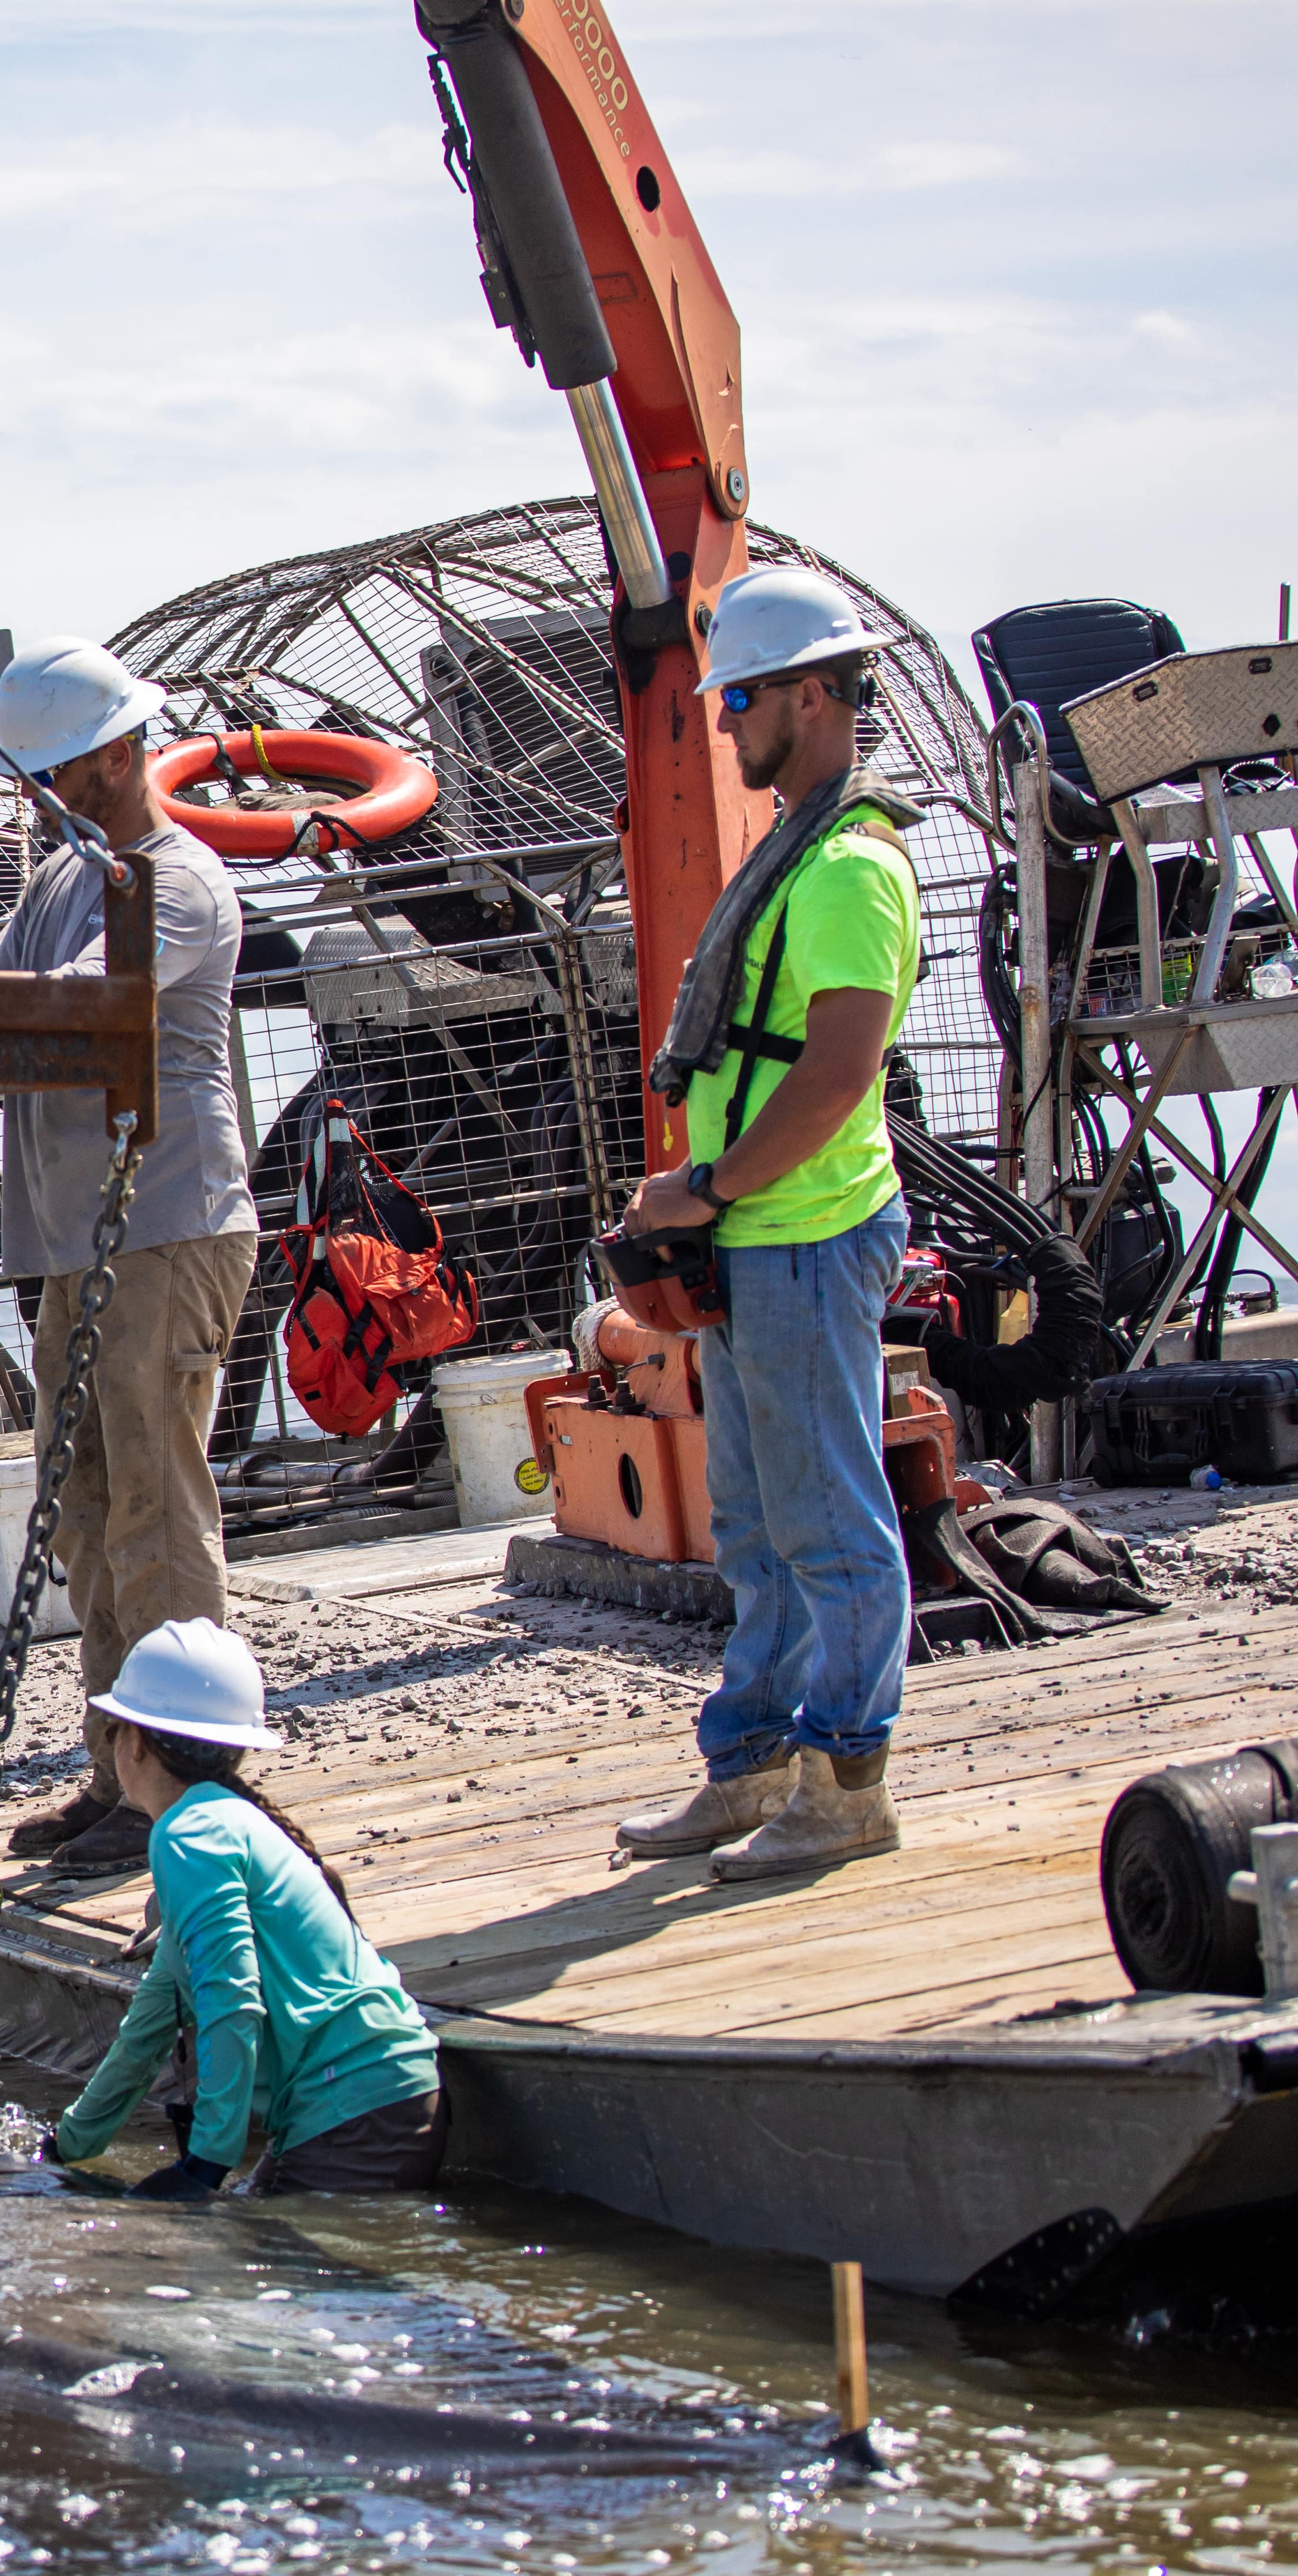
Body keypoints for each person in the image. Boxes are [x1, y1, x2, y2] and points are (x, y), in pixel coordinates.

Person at [613, 569, 921, 1881]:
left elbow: (839, 1071)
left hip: (799, 1230)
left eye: (739, 697)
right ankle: (755, 1766)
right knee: (754, 1517)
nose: (725, 723)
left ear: (811, 695)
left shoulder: (848, 868)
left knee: (829, 1522)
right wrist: (700, 1203)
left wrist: (716, 1188)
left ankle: (848, 1783)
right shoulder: (794, 853)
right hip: (755, 1240)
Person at [0, 637, 262, 1879]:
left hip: (165, 1228)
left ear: (115, 753)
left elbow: (80, 1016)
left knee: (154, 1500)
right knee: (86, 1511)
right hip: (78, 1243)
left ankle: (186, 1789)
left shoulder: (178, 885)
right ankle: (117, 1771)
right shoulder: (60, 881)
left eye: (55, 773)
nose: (42, 796)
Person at [41, 1621, 446, 2198]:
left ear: (134, 1742)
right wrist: (63, 2149)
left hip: (355, 2113)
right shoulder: (222, 1822)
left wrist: (205, 2164)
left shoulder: (188, 1835)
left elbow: (231, 1998)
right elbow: (147, 2034)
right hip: (391, 2097)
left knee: (233, 2251)